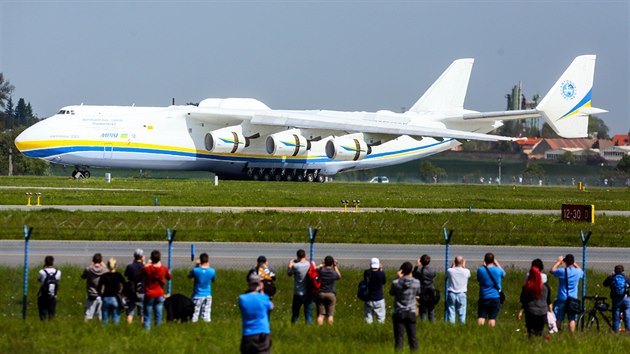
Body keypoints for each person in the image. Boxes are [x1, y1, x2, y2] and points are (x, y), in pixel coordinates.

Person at [389, 261, 421, 352]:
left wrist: (397, 278)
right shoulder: (416, 282)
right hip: (411, 311)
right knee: (413, 337)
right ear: (411, 270)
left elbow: (391, 292)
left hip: (399, 311)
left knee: (399, 338)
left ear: (402, 271)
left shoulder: (396, 282)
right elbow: (418, 293)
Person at [239, 272, 273, 354]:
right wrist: (261, 290)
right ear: (260, 284)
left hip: (248, 334)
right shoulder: (264, 298)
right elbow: (271, 307)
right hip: (262, 333)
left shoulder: (242, 298)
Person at [518, 259, 552, 338]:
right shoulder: (545, 287)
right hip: (542, 311)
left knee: (530, 332)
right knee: (539, 331)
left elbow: (524, 299)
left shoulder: (528, 287)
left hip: (531, 311)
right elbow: (548, 300)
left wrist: (521, 310)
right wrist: (550, 312)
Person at [551, 254, 583, 333]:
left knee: (558, 318)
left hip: (562, 297)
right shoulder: (577, 272)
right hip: (572, 298)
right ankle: (572, 335)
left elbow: (552, 270)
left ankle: (557, 332)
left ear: (565, 262)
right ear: (573, 262)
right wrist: (574, 263)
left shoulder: (562, 271)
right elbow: (582, 272)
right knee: (572, 319)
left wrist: (559, 262)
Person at [140, 250, 172, 330]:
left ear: (151, 258)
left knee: (147, 316)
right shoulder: (163, 268)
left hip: (149, 294)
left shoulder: (148, 269)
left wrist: (147, 264)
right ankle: (158, 331)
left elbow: (140, 274)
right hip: (159, 294)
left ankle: (146, 333)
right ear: (160, 258)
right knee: (158, 316)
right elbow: (169, 277)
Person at [477, 252, 505, 327]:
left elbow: (479, 279)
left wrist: (484, 266)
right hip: (495, 296)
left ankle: (479, 330)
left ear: (485, 260)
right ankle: (491, 331)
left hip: (483, 296)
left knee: (481, 316)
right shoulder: (498, 270)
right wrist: (497, 264)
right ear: (493, 260)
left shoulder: (480, 270)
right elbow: (504, 274)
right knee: (492, 318)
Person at [188, 252, 217, 323]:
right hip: (207, 294)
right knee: (206, 315)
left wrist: (196, 265)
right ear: (207, 260)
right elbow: (213, 280)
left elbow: (189, 276)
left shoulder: (196, 270)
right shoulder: (212, 271)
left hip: (197, 295)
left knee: (194, 314)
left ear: (200, 260)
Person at [287, 249, 313, 324]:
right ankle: (309, 329)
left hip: (298, 293)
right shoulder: (310, 264)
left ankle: (293, 327)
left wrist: (289, 265)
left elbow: (289, 274)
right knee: (308, 314)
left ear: (297, 256)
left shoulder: (296, 266)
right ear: (305, 256)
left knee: (295, 314)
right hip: (308, 292)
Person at [98, 258, 126, 324]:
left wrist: (101, 294)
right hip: (115, 298)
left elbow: (99, 287)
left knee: (105, 320)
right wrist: (122, 293)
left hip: (106, 298)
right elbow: (125, 284)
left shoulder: (104, 276)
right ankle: (115, 332)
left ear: (107, 265)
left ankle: (104, 332)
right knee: (116, 320)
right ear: (116, 266)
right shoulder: (118, 275)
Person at [603, 265, 630, 333]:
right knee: (627, 316)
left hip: (616, 300)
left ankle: (616, 332)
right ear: (623, 271)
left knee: (616, 317)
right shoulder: (626, 278)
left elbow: (604, 284)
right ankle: (628, 331)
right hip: (626, 299)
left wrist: (612, 276)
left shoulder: (612, 278)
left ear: (614, 271)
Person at [81, 253, 107, 321]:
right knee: (100, 315)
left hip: (91, 294)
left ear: (93, 260)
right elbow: (109, 274)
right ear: (101, 261)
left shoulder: (89, 269)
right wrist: (104, 266)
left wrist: (90, 266)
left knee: (88, 314)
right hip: (101, 294)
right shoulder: (105, 270)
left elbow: (83, 277)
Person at [445, 256, 471, 324]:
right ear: (462, 262)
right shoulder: (466, 271)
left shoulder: (450, 271)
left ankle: (451, 326)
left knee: (451, 312)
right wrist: (463, 266)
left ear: (455, 262)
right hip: (462, 294)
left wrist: (453, 265)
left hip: (451, 293)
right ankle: (461, 326)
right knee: (462, 313)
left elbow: (448, 272)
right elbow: (468, 274)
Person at [316, 255, 341, 325]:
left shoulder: (321, 271)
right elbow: (339, 276)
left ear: (325, 262)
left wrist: (322, 265)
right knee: (330, 315)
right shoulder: (333, 273)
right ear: (332, 263)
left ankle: (318, 328)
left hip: (321, 293)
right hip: (331, 293)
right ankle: (330, 327)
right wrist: (335, 266)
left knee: (321, 314)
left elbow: (314, 269)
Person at [412, 254, 437, 322]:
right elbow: (434, 275)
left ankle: (424, 323)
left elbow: (413, 274)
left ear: (421, 261)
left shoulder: (419, 271)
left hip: (423, 293)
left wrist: (417, 265)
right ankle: (432, 324)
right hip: (431, 292)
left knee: (423, 312)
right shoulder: (432, 270)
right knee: (431, 311)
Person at [124, 248, 145, 324]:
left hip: (132, 292)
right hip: (142, 291)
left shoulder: (130, 266)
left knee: (130, 312)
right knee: (142, 313)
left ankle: (128, 327)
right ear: (142, 257)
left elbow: (126, 274)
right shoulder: (144, 267)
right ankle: (144, 328)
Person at [37, 255, 61, 321]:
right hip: (53, 296)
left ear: (45, 262)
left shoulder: (41, 272)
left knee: (43, 315)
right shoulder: (58, 272)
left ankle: (43, 327)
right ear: (53, 262)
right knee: (52, 315)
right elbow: (57, 281)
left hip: (42, 296)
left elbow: (39, 280)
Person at [363, 257, 387, 324]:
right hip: (379, 298)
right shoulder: (381, 274)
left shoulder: (366, 273)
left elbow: (366, 276)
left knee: (368, 319)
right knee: (381, 319)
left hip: (369, 298)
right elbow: (384, 282)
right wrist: (381, 269)